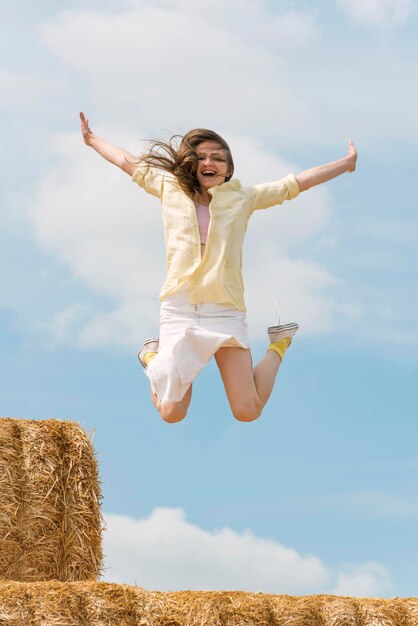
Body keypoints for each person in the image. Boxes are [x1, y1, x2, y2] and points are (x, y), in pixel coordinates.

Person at [80, 112, 357, 423]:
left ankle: (279, 343)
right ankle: (152, 357)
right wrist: (92, 140)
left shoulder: (243, 198)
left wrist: (345, 164)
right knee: (171, 413)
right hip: (180, 308)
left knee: (247, 411)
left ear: (228, 168)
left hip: (224, 309)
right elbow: (126, 160)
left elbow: (296, 183)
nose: (209, 162)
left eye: (218, 158)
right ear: (190, 164)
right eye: (201, 157)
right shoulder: (169, 186)